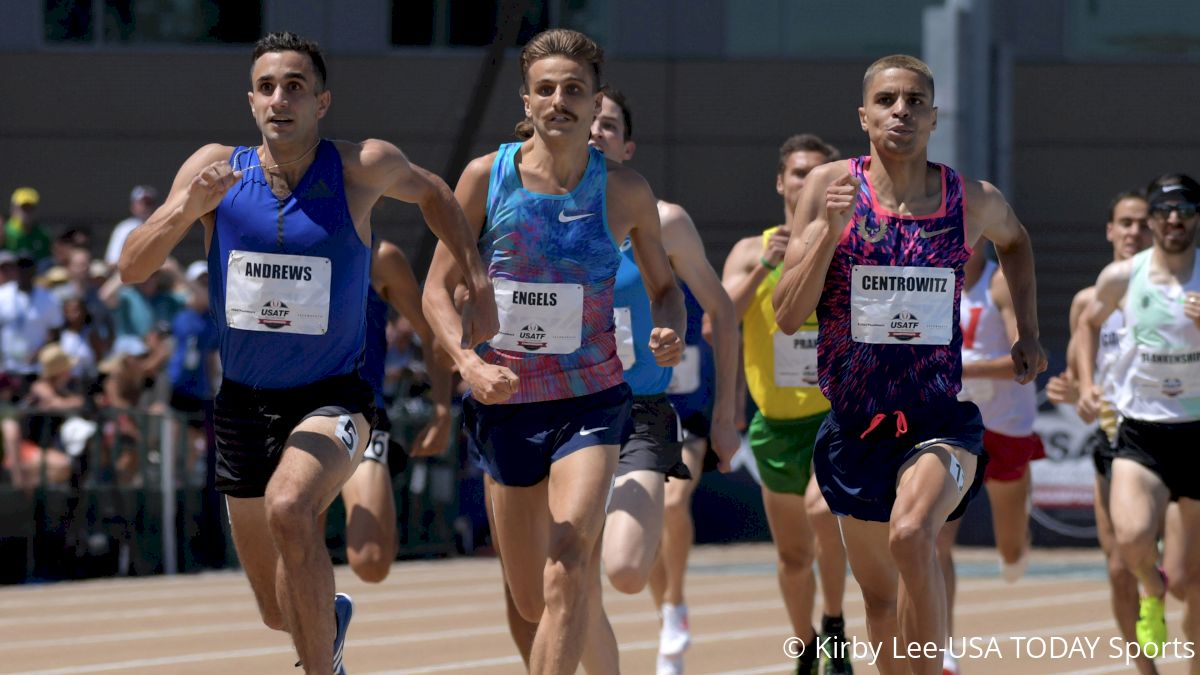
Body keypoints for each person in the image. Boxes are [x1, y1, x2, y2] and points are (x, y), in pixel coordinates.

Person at [117, 31, 496, 675]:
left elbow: (434, 192)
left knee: (291, 507)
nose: (279, 98)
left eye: (295, 86)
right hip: (241, 404)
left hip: (332, 398)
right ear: (251, 101)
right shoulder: (215, 168)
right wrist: (186, 208)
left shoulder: (359, 167)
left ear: (322, 101)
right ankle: (331, 619)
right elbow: (132, 268)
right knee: (278, 609)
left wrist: (477, 281)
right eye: (267, 87)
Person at [422, 29, 685, 675]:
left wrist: (669, 329)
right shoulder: (487, 178)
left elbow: (665, 288)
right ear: (527, 98)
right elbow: (435, 290)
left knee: (569, 563)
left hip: (591, 400)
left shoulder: (623, 190)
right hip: (505, 403)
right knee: (532, 596)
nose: (559, 100)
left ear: (596, 101)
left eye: (574, 89)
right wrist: (469, 363)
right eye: (546, 89)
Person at [772, 54, 1046, 675]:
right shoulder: (829, 186)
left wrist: (1026, 331)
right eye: (888, 100)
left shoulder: (970, 198)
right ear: (864, 116)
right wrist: (826, 233)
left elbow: (1017, 243)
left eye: (915, 101)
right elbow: (788, 316)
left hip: (936, 419)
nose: (902, 111)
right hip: (854, 426)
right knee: (879, 602)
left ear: (934, 117)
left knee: (910, 534)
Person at [578, 84, 739, 675]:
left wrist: (725, 417)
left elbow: (722, 311)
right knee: (563, 585)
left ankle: (671, 605)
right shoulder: (535, 213)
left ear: (627, 146)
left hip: (638, 410)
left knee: (621, 569)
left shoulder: (663, 222)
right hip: (556, 408)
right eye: (586, 121)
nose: (595, 131)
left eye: (609, 126)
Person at [723, 133, 854, 675]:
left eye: (820, 172)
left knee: (822, 513)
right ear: (782, 182)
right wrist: (764, 268)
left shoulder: (844, 247)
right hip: (773, 427)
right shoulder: (751, 250)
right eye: (799, 172)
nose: (808, 181)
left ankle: (835, 624)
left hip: (833, 420)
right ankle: (803, 645)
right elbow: (718, 317)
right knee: (793, 557)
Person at [1077, 175, 1200, 665]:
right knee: (1130, 540)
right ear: (1151, 220)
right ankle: (1153, 588)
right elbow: (1088, 321)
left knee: (1193, 582)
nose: (1174, 219)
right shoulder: (1124, 277)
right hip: (1141, 430)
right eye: (1165, 211)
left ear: (1196, 218)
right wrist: (1086, 384)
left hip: (1197, 431)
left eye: (1185, 211)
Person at [1045, 189, 1162, 675]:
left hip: (1172, 434)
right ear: (1110, 231)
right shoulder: (1087, 304)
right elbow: (1080, 378)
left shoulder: (1176, 291)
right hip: (1115, 443)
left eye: (1142, 223)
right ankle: (1147, 670)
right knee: (1118, 567)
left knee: (1185, 572)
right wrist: (1074, 394)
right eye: (1125, 223)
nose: (1134, 232)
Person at [935, 242, 1045, 675]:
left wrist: (964, 368)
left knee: (1012, 553)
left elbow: (1025, 361)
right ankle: (942, 649)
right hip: (953, 425)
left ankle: (1019, 538)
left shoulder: (997, 284)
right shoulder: (931, 277)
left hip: (1005, 423)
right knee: (937, 538)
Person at [336, 237, 453, 584]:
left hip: (358, 412)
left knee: (372, 559)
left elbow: (429, 332)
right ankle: (317, 616)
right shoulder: (280, 240)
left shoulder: (381, 257)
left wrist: (442, 409)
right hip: (289, 407)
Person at [106, 185, 159, 266]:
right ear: (133, 206)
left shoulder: (160, 226)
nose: (146, 207)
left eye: (149, 203)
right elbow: (112, 261)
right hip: (128, 272)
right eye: (142, 203)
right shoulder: (124, 228)